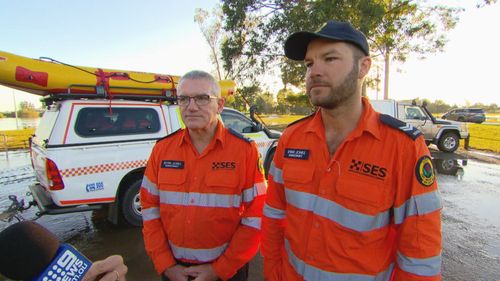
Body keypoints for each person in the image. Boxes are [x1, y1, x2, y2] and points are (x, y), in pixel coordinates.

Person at [262, 20, 442, 281]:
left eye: (330, 58)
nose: (314, 72)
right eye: (310, 63)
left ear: (363, 67)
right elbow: (274, 215)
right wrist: (273, 273)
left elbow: (420, 254)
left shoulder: (403, 147)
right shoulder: (292, 138)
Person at [141, 70, 266, 281]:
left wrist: (220, 269)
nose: (191, 107)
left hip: (226, 272)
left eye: (201, 98)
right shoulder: (162, 149)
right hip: (174, 272)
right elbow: (149, 211)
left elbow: (256, 217)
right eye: (183, 99)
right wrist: (166, 265)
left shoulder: (245, 151)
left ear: (220, 105)